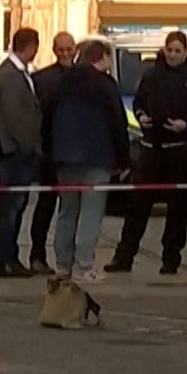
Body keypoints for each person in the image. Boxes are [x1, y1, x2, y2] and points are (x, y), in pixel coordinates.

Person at [109, 30, 187, 275]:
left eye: (178, 51)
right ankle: (124, 257)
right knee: (138, 207)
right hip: (151, 151)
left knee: (177, 211)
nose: (173, 55)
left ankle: (171, 259)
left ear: (186, 52)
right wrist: (142, 116)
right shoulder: (152, 75)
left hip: (180, 152)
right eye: (169, 50)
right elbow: (139, 102)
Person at [45, 38, 127, 291]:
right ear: (101, 57)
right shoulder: (105, 85)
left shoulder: (62, 82)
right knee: (90, 214)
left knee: (67, 212)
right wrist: (123, 159)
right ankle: (84, 266)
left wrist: (51, 155)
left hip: (64, 159)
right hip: (96, 158)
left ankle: (62, 265)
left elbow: (47, 119)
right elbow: (117, 123)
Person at [0, 27, 43, 279]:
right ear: (30, 46)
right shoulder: (10, 76)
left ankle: (9, 257)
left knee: (15, 207)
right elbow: (14, 117)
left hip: (15, 150)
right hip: (13, 151)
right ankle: (5, 260)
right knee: (11, 207)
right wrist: (29, 145)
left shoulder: (16, 73)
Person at [27, 32, 78, 274]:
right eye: (61, 50)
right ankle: (37, 255)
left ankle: (70, 257)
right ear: (54, 50)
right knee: (45, 205)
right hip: (49, 152)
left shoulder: (84, 77)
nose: (66, 54)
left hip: (75, 153)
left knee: (72, 207)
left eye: (69, 50)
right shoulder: (41, 79)